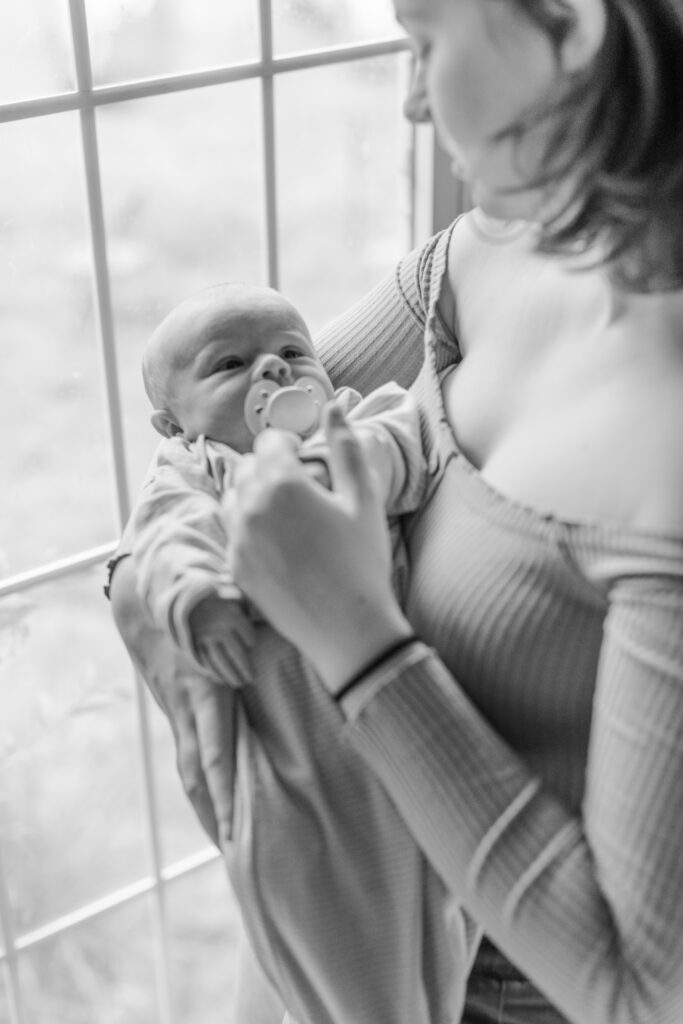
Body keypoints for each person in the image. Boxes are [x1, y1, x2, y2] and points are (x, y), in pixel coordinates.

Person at [109, 1, 683, 1022]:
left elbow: (638, 990)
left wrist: (349, 635)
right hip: (334, 904)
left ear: (575, 24)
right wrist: (179, 575)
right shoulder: (476, 255)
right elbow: (220, 448)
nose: (411, 104)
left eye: (422, 41)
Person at [126, 282, 472, 1024]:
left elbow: (408, 439)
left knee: (446, 922)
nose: (273, 374)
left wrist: (334, 465)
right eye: (231, 365)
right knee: (327, 941)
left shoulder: (350, 424)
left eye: (292, 353)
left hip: (406, 724)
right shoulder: (195, 471)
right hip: (291, 757)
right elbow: (162, 539)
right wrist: (195, 594)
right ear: (171, 421)